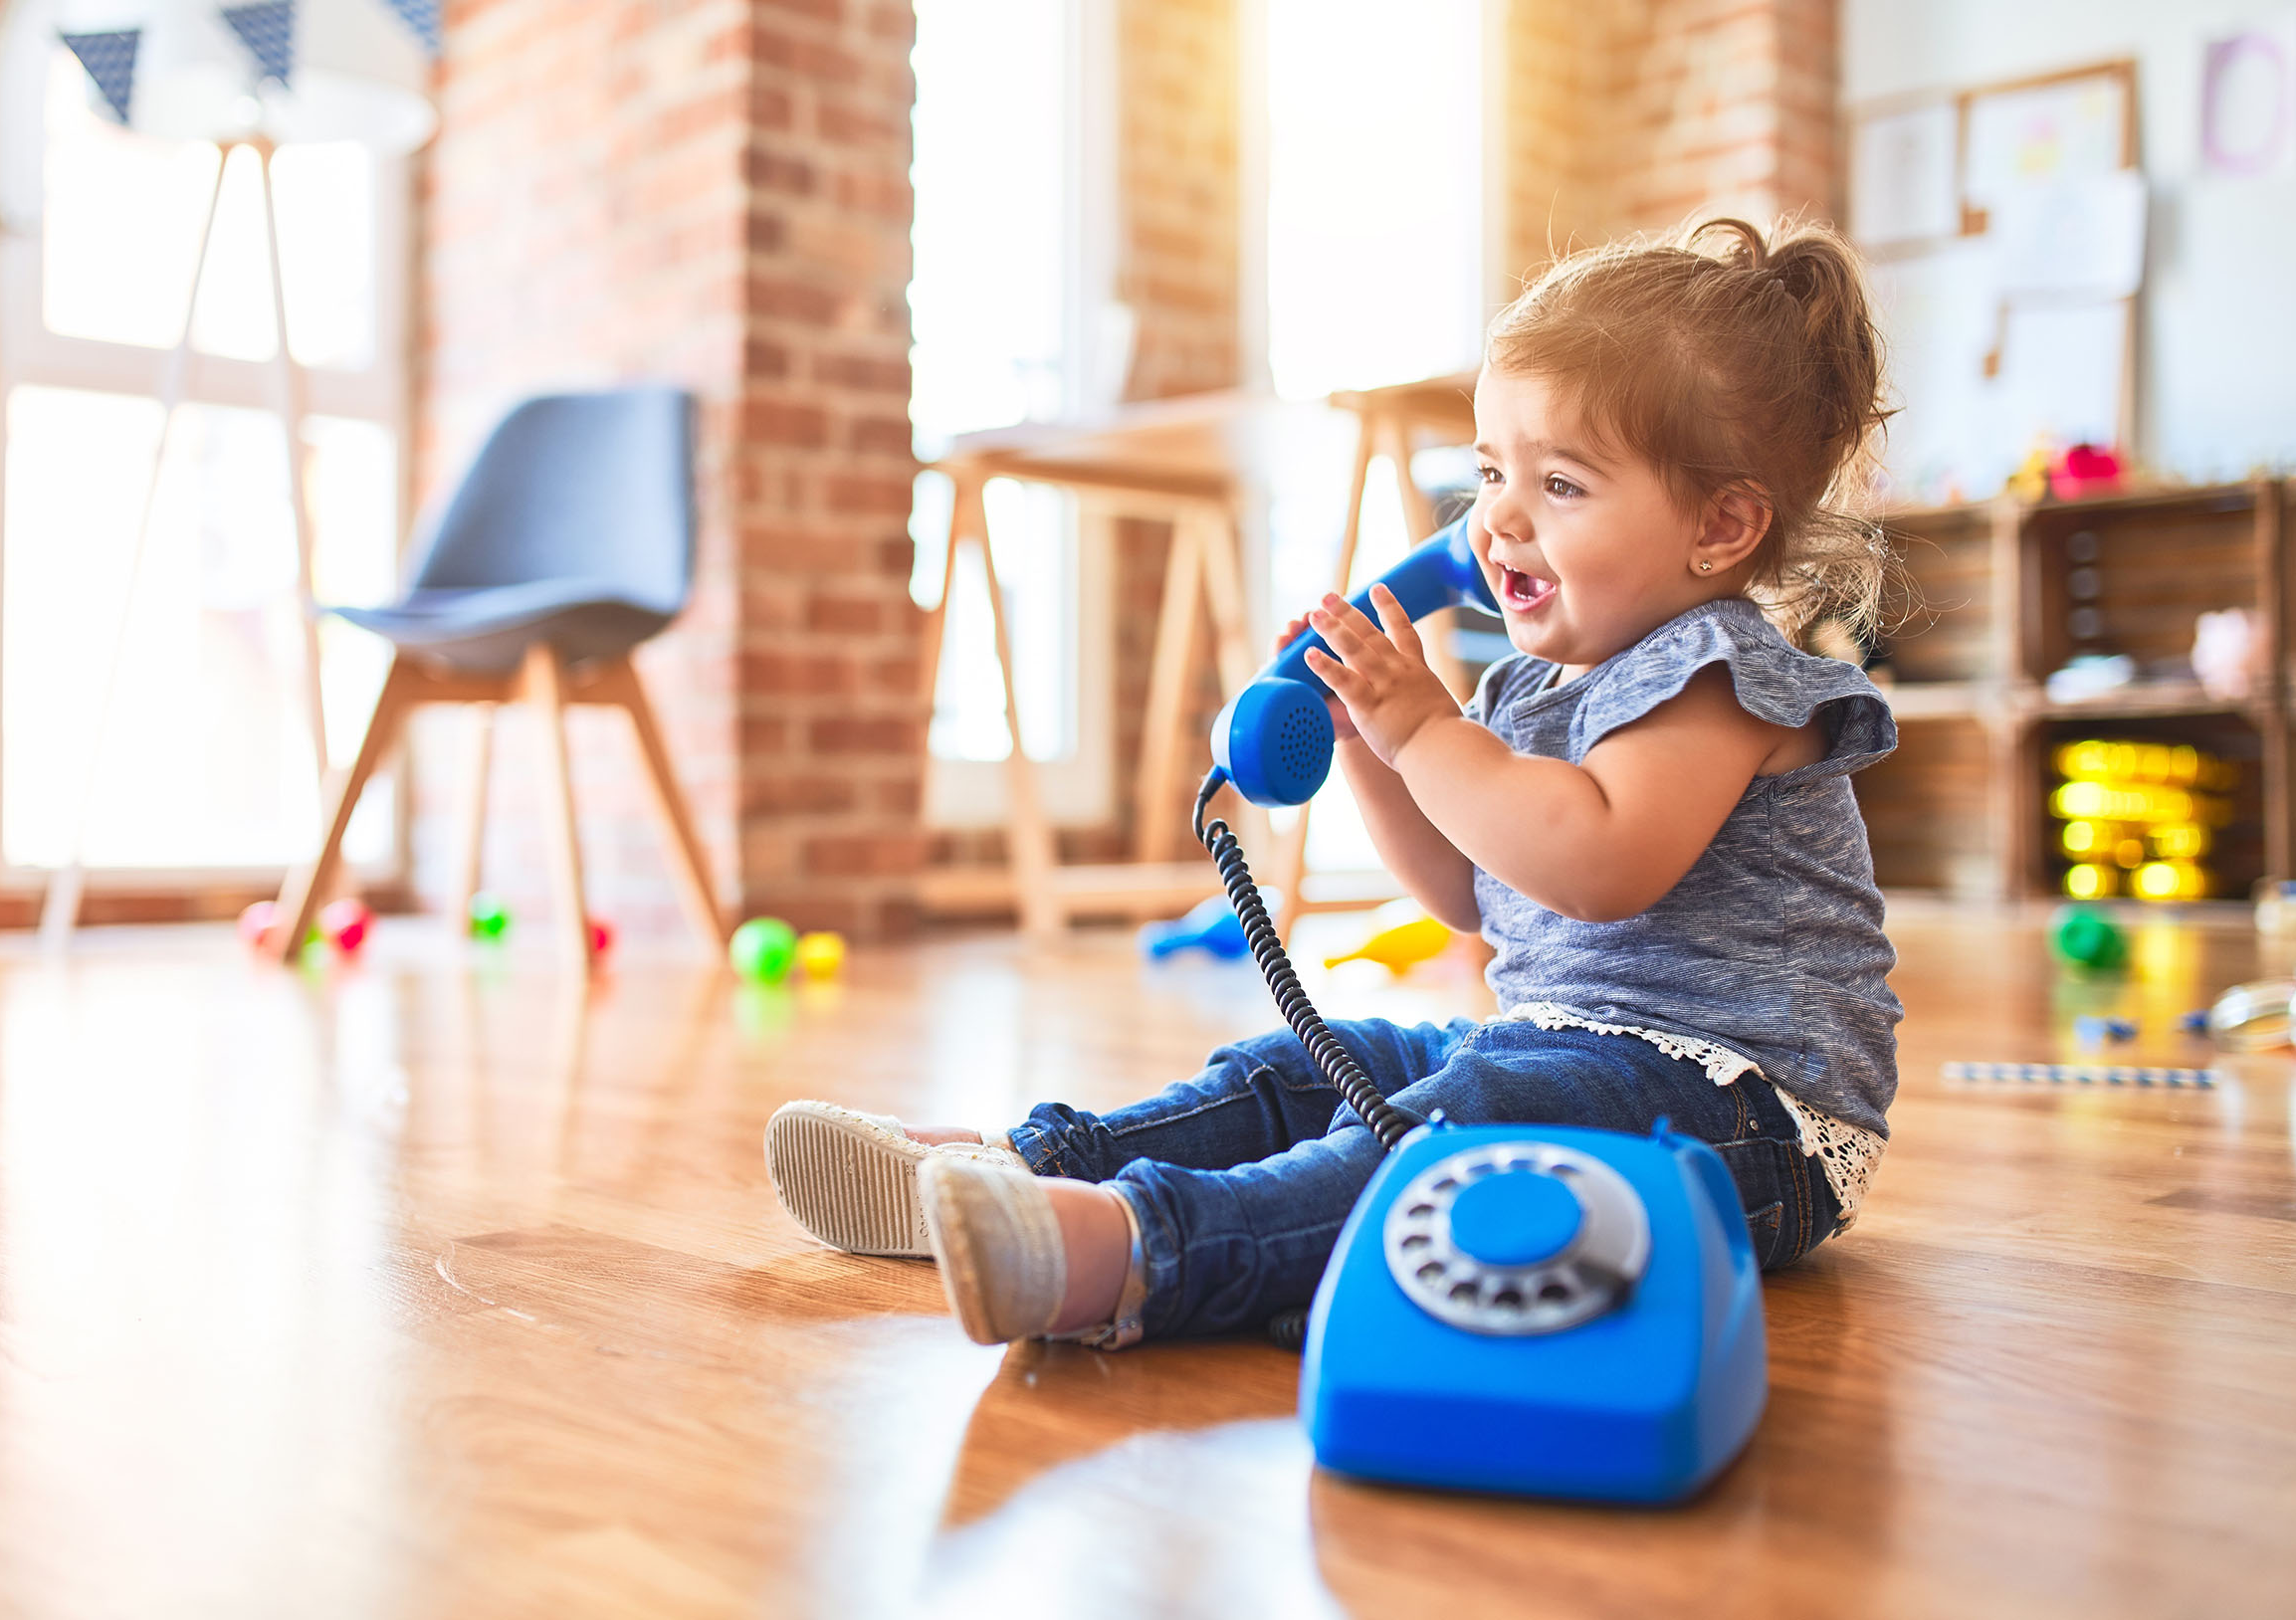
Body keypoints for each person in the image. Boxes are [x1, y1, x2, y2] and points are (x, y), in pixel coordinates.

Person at [763, 216, 1902, 1348]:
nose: (1496, 517)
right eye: (1492, 469)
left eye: (1560, 483)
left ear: (1723, 526)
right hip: (1563, 1054)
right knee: (1307, 1065)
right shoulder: (1527, 690)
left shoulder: (1719, 677)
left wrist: (1419, 729)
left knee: (1451, 1131)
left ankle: (1129, 1249)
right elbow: (1471, 892)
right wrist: (1367, 739)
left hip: (1754, 1122)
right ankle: (1018, 1164)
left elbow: (1597, 864)